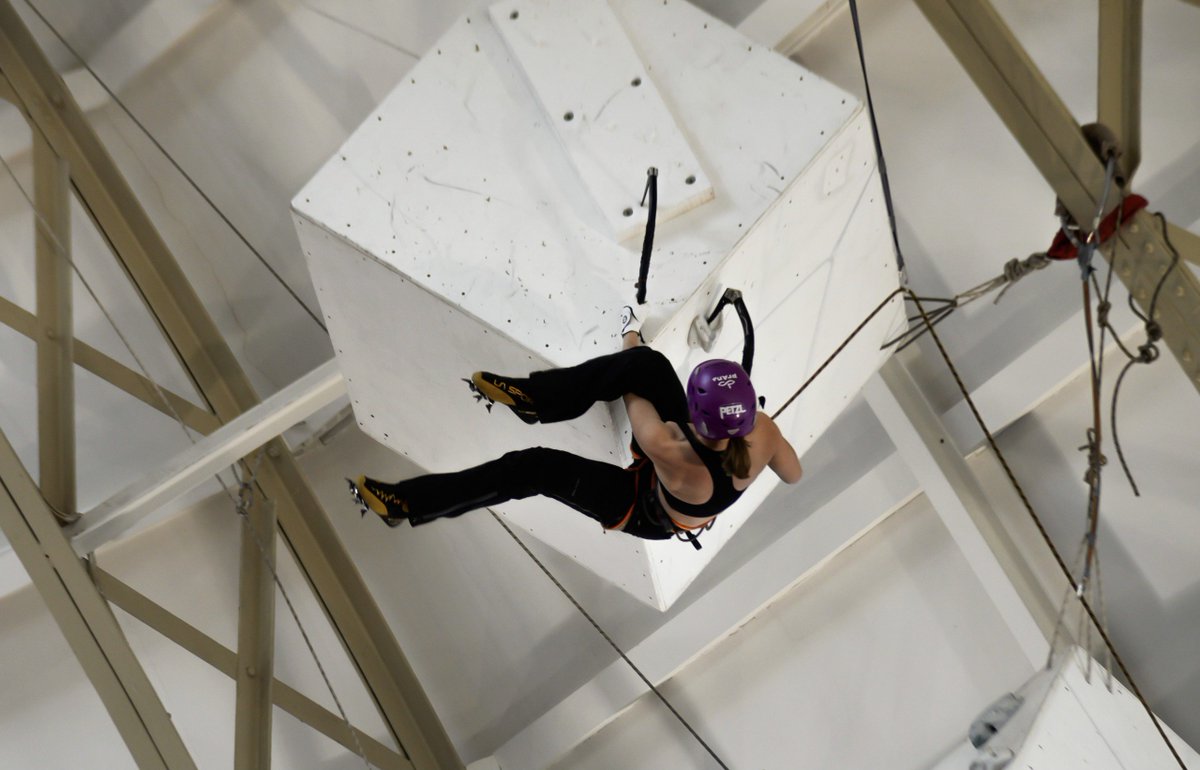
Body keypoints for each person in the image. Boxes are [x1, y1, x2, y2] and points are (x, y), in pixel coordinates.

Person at [349, 312, 803, 545]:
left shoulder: (666, 444)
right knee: (649, 363)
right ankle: (534, 399)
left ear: (694, 413)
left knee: (532, 469)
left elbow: (631, 391)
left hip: (643, 508)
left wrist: (629, 339)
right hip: (692, 474)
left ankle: (408, 504)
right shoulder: (762, 431)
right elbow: (793, 474)